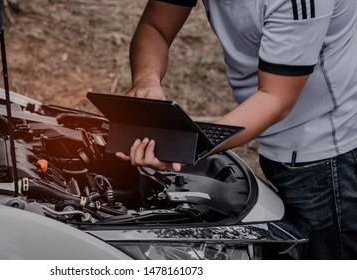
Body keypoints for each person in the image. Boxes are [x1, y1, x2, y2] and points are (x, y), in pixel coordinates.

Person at [116, 0, 357, 259]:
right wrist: (146, 80)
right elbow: (156, 27)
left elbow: (276, 100)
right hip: (278, 137)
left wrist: (187, 145)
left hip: (325, 154)